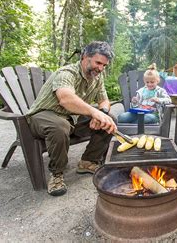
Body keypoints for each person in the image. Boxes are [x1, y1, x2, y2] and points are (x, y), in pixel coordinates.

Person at [26, 41, 117, 196]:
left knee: (108, 119)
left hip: (71, 118)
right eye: (98, 63)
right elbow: (66, 99)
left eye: (104, 65)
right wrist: (93, 113)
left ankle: (88, 162)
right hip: (44, 114)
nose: (101, 68)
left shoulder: (96, 78)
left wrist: (102, 112)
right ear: (85, 57)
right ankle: (57, 174)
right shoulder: (67, 73)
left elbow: (104, 100)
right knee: (59, 127)